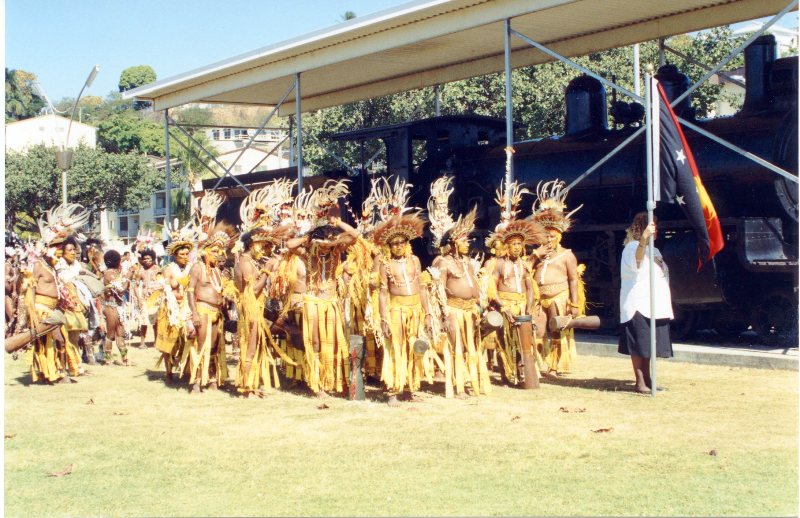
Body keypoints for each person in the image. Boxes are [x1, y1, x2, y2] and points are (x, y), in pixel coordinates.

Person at [427, 176, 488, 397]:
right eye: (464, 241)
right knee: (457, 347)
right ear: (453, 244)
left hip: (470, 310)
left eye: (468, 241)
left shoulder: (469, 262)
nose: (468, 244)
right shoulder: (442, 262)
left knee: (473, 347)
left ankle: (473, 382)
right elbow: (438, 291)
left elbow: (477, 286)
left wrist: (481, 306)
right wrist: (442, 315)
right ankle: (457, 385)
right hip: (453, 311)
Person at [487, 181, 546, 386]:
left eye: (520, 244)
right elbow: (492, 288)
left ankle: (522, 374)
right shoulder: (499, 264)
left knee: (524, 342)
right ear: (506, 245)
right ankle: (505, 375)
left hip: (522, 306)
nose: (517, 247)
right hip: (506, 306)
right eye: (513, 244)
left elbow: (530, 288)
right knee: (504, 341)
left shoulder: (524, 265)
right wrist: (503, 308)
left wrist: (528, 309)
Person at [373, 209, 430, 406]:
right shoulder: (385, 264)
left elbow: (422, 289)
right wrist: (383, 319)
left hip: (415, 310)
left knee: (413, 347)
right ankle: (392, 391)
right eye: (394, 243)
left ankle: (409, 388)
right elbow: (382, 293)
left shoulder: (415, 261)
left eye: (402, 242)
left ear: (407, 243)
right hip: (395, 311)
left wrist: (428, 313)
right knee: (395, 348)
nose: (398, 246)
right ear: (389, 246)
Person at [529, 180, 585, 378]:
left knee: (556, 330)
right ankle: (537, 364)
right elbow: (526, 270)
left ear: (559, 237)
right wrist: (536, 254)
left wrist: (574, 304)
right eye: (546, 237)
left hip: (558, 296)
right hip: (539, 298)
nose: (549, 240)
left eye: (552, 237)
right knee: (539, 330)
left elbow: (573, 280)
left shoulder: (567, 255)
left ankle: (555, 366)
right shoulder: (539, 255)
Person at [618, 212, 674, 393]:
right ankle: (640, 381)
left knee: (648, 345)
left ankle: (648, 379)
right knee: (638, 345)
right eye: (652, 226)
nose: (656, 230)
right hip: (638, 305)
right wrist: (643, 239)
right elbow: (637, 261)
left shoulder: (655, 250)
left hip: (654, 306)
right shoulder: (631, 247)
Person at [187, 221, 236, 393]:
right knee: (201, 345)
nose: (218, 255)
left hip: (217, 313)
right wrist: (194, 313)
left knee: (215, 345)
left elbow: (220, 291)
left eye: (220, 251)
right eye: (214, 251)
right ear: (204, 251)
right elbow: (190, 291)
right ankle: (196, 382)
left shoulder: (217, 271)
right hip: (202, 310)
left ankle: (213, 379)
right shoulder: (197, 268)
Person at [154, 220, 197, 383]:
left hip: (186, 307)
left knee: (188, 339)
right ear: (174, 255)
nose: (185, 257)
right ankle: (169, 373)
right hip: (170, 309)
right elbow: (166, 287)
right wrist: (179, 282)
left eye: (187, 254)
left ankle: (187, 370)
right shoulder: (169, 268)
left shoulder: (192, 267)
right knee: (169, 341)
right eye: (182, 254)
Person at [101, 250, 133, 366]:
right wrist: (128, 278)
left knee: (120, 334)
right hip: (111, 307)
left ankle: (125, 358)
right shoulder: (109, 273)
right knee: (110, 335)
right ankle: (107, 359)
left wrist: (127, 277)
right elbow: (120, 291)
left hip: (118, 307)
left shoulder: (115, 272)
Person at [131, 247, 162, 349]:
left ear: (153, 258)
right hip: (144, 298)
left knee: (156, 322)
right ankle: (142, 342)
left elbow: (162, 283)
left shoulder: (158, 269)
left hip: (156, 298)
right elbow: (135, 285)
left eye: (149, 258)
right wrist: (139, 298)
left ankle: (156, 342)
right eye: (144, 259)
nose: (146, 261)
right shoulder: (140, 271)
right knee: (144, 322)